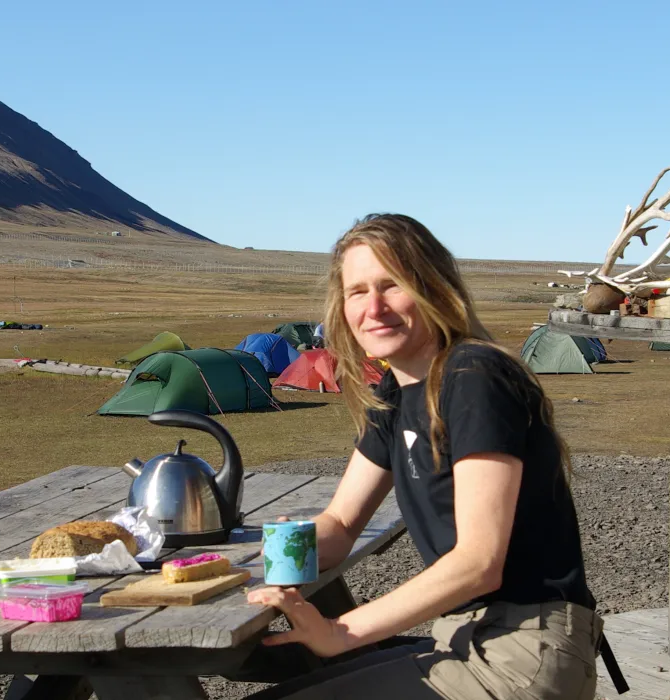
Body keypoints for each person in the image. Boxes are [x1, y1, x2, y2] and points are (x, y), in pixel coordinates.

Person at [246, 214, 606, 700]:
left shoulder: (474, 376)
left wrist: (340, 633)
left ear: (434, 289)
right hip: (466, 636)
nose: (373, 308)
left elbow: (479, 563)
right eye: (357, 291)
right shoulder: (395, 391)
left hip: (524, 650)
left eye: (392, 286)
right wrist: (271, 560)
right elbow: (341, 525)